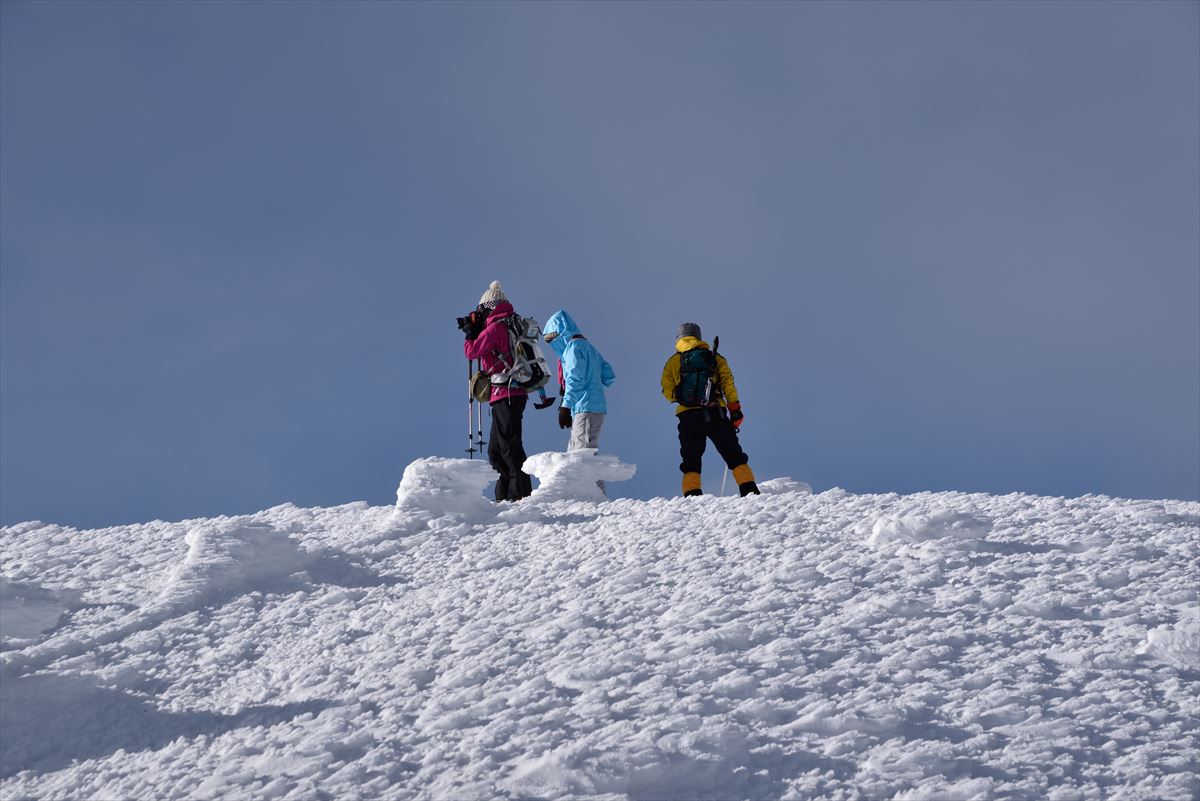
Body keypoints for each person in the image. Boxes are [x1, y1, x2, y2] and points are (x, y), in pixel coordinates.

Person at [660, 322, 760, 497]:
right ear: (698, 337)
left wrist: (681, 397)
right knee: (734, 454)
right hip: (715, 413)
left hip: (688, 416)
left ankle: (692, 496)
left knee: (691, 460)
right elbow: (728, 384)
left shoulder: (673, 361)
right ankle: (749, 490)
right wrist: (735, 409)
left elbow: (666, 391)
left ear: (678, 338)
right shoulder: (714, 357)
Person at [461, 281, 533, 502]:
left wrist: (470, 333)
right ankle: (504, 498)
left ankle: (520, 496)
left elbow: (471, 352)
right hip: (509, 392)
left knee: (508, 446)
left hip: (507, 392)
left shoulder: (496, 328)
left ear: (488, 307)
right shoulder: (510, 323)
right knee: (496, 450)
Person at [542, 309, 615, 451]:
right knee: (587, 454)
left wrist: (566, 406)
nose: (552, 343)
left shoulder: (572, 348)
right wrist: (592, 382)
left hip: (584, 408)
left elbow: (575, 380)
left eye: (551, 338)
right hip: (597, 408)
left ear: (561, 333)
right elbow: (609, 376)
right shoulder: (589, 347)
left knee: (579, 456)